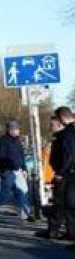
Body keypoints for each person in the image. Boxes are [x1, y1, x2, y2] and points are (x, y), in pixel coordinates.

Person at [0, 121, 32, 222]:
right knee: (4, 194)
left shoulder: (17, 140)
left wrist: (24, 168)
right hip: (8, 171)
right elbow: (1, 158)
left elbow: (21, 155)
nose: (19, 131)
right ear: (10, 130)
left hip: (18, 170)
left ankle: (25, 215)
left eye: (18, 129)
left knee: (23, 191)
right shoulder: (3, 141)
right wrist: (3, 171)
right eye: (17, 129)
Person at [51, 106, 75, 248]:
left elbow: (69, 155)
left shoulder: (69, 132)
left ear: (62, 118)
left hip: (70, 174)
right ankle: (71, 233)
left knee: (70, 204)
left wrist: (60, 172)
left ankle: (72, 234)